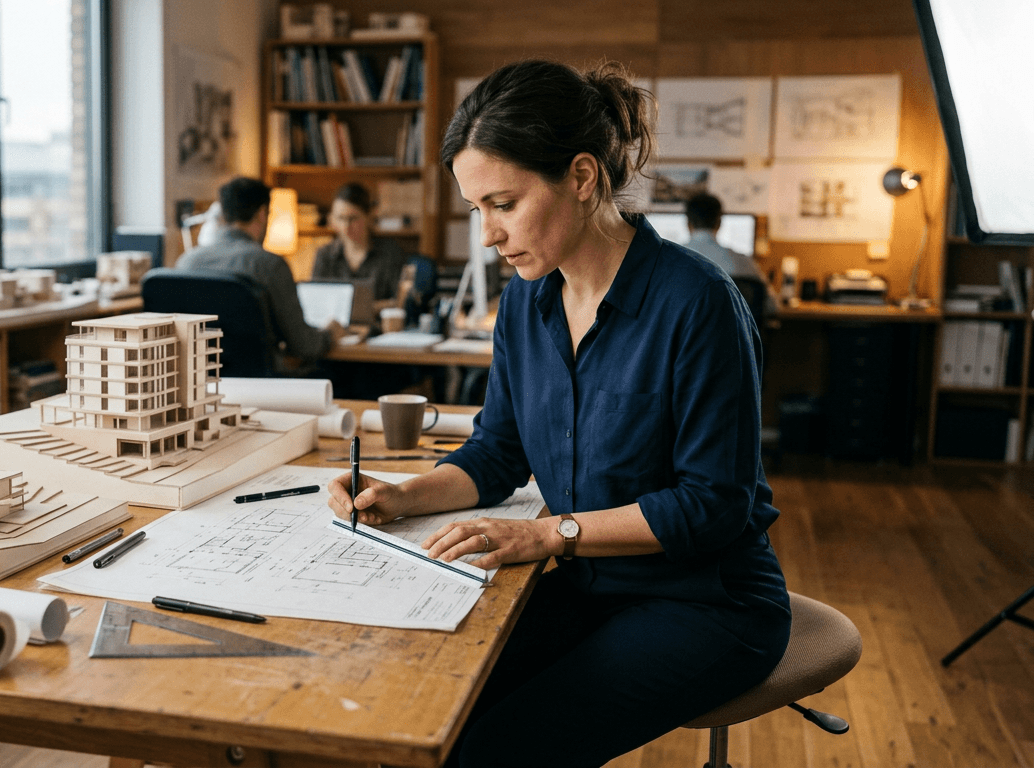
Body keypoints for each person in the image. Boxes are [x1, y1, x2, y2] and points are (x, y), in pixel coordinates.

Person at [326, 59, 791, 767]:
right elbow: (497, 452)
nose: (488, 234)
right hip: (586, 584)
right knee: (423, 708)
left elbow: (711, 507)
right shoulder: (525, 298)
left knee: (496, 751)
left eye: (503, 204)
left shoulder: (697, 303)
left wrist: (547, 535)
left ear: (581, 177)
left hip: (706, 602)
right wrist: (402, 495)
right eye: (476, 209)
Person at [177, 176, 345, 366]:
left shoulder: (186, 263)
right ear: (262, 214)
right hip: (260, 380)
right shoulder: (270, 266)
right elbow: (304, 346)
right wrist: (330, 333)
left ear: (222, 214)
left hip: (202, 378)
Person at [684, 192, 780, 316]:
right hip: (731, 328)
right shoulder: (744, 262)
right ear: (719, 223)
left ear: (688, 223)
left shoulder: (669, 261)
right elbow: (772, 306)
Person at [311, 182, 407, 306]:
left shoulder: (391, 253)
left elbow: (399, 301)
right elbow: (316, 300)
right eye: (340, 218)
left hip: (377, 318)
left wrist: (363, 309)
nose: (346, 226)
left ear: (369, 216)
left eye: (352, 218)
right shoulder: (324, 255)